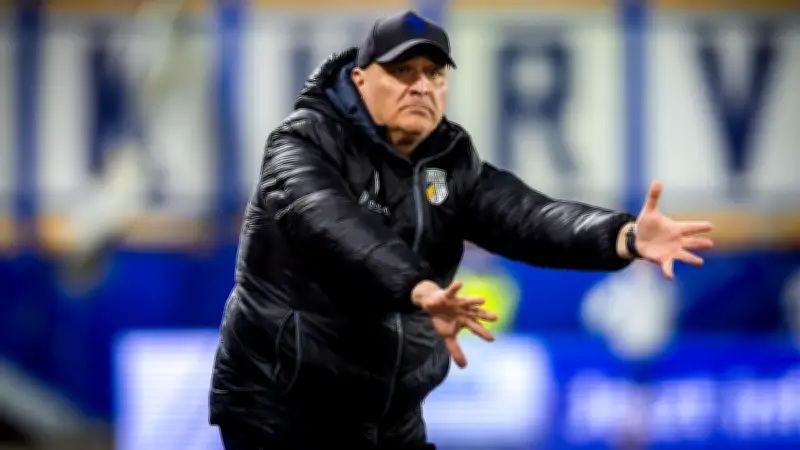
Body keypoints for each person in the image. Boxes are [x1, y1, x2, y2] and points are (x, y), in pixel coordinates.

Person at [208, 9, 713, 450]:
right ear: (360, 80)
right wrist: (418, 287)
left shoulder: (446, 163)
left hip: (388, 410)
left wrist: (622, 236)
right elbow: (334, 225)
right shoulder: (303, 143)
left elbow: (526, 216)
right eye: (402, 71)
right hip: (283, 402)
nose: (421, 86)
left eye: (433, 73)